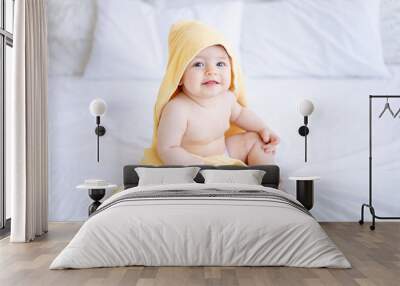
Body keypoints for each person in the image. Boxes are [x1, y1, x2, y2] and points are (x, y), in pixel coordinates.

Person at [142, 20, 279, 166]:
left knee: (256, 141)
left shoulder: (227, 98)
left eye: (220, 64)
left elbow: (241, 114)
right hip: (194, 165)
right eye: (198, 64)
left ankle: (266, 180)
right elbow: (167, 149)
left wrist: (263, 129)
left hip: (225, 152)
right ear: (179, 76)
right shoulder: (177, 109)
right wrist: (200, 165)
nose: (211, 71)